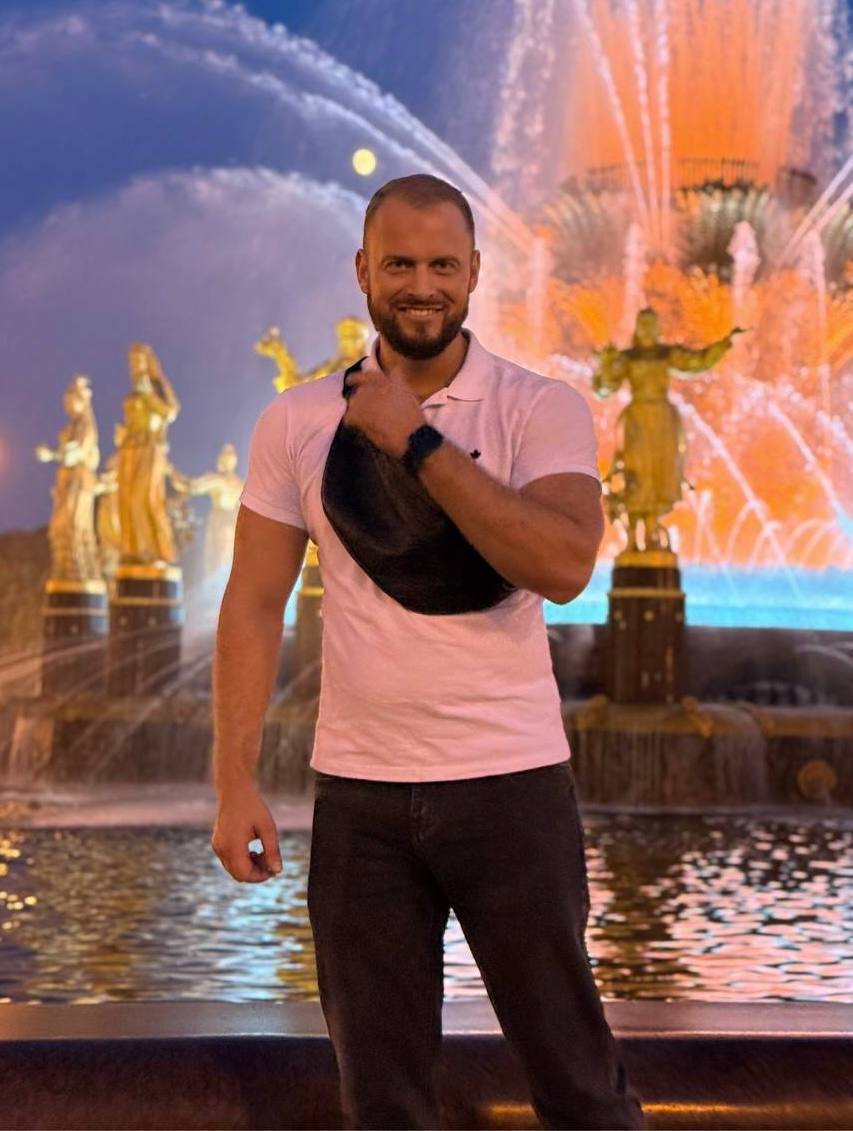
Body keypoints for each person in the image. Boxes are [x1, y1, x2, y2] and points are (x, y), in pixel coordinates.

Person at [211, 173, 644, 1130]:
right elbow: (251, 603)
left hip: (510, 787)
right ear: (362, 270)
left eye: (442, 265)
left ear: (474, 273)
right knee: (381, 1101)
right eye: (399, 264)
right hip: (359, 801)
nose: (420, 285)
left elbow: (561, 563)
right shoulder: (296, 419)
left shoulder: (537, 407)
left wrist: (414, 441)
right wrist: (233, 781)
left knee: (579, 1087)